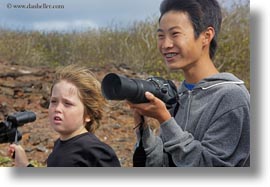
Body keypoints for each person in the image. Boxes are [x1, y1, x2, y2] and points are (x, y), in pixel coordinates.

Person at [128, 0, 250, 167]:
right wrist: (143, 131)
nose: (165, 44)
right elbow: (167, 164)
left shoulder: (232, 98)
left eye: (175, 34)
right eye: (161, 35)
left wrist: (165, 121)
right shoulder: (181, 95)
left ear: (206, 36)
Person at [9, 65, 121, 167]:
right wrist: (24, 165)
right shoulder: (60, 144)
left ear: (88, 114)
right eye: (53, 101)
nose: (57, 109)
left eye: (67, 104)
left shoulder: (95, 151)